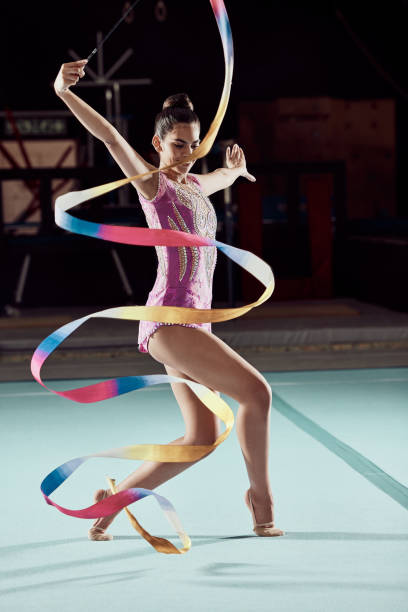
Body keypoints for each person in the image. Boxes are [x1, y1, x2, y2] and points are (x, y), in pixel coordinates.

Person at [54, 59, 285, 540]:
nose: (186, 153)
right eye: (178, 145)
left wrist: (233, 171)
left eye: (193, 145)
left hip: (196, 325)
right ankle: (259, 497)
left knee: (199, 439)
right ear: (159, 144)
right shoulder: (155, 187)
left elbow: (218, 176)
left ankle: (109, 507)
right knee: (257, 393)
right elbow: (112, 139)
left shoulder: (197, 186)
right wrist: (65, 93)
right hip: (169, 320)